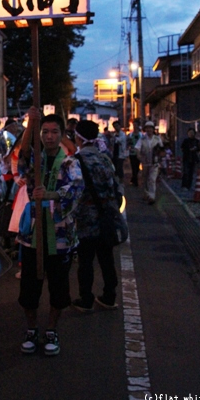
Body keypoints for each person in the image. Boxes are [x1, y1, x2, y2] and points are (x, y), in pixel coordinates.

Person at [17, 107, 84, 356]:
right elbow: (21, 158)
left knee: (58, 285)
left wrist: (51, 194)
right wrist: (29, 124)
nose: (49, 136)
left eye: (55, 131)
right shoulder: (36, 157)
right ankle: (32, 328)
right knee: (29, 287)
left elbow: (76, 189)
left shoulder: (69, 162)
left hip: (60, 234)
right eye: (44, 131)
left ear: (62, 134)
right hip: (33, 233)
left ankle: (52, 328)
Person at [72, 120, 121, 312]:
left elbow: (73, 192)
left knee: (85, 261)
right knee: (106, 258)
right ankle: (109, 296)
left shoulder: (75, 160)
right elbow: (115, 186)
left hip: (86, 220)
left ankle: (86, 299)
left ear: (78, 138)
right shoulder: (105, 159)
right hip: (106, 217)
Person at [135, 120, 165, 204]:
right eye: (147, 128)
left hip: (154, 162)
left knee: (152, 179)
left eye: (150, 128)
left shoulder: (157, 138)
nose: (149, 130)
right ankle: (146, 193)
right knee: (145, 178)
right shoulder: (142, 139)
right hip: (145, 161)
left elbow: (161, 149)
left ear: (153, 129)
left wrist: (161, 157)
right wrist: (139, 155)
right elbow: (137, 148)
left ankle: (152, 196)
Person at [127, 120, 142, 186]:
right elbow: (127, 143)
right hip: (132, 153)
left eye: (136, 125)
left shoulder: (141, 135)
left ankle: (133, 178)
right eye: (134, 125)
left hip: (139, 153)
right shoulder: (130, 135)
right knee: (133, 166)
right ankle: (135, 180)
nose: (135, 126)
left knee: (137, 166)